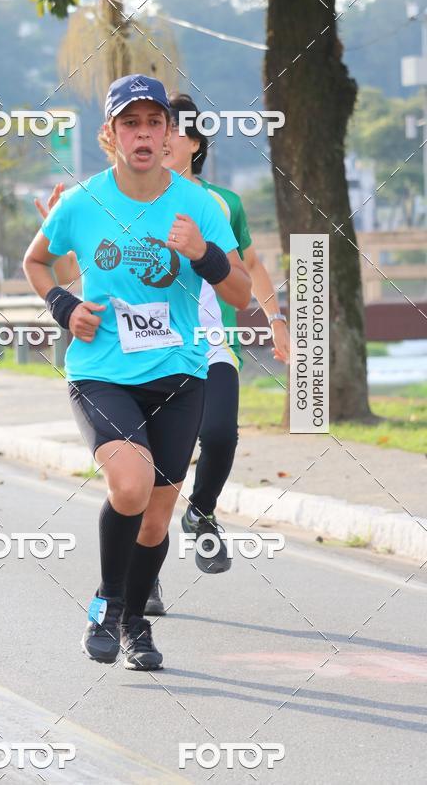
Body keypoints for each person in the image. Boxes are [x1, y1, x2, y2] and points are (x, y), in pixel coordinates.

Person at [23, 74, 251, 671]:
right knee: (129, 484)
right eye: (131, 123)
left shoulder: (201, 206)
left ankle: (132, 623)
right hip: (102, 370)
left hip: (179, 373)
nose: (144, 133)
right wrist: (65, 307)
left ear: (170, 133)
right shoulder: (82, 202)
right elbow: (36, 261)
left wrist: (203, 253)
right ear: (110, 135)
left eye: (154, 123)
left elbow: (241, 291)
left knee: (156, 518)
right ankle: (105, 601)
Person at [144, 93, 291, 613]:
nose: (163, 141)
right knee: (158, 473)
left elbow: (251, 266)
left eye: (174, 133)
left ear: (195, 143)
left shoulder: (223, 203)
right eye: (157, 131)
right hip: (154, 351)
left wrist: (275, 319)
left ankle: (201, 512)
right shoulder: (133, 198)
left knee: (221, 436)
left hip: (212, 344)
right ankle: (148, 580)